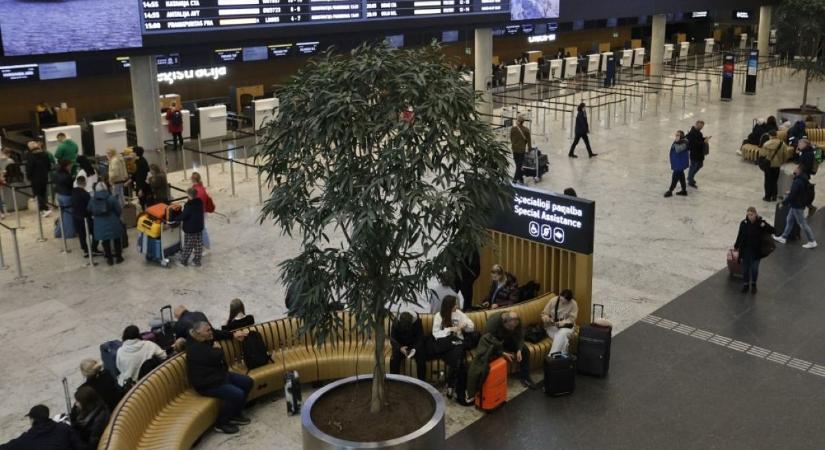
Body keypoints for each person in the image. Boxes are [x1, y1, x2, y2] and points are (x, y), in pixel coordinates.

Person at [186, 321, 252, 434]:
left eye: (210, 329)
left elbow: (217, 334)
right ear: (198, 333)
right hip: (207, 384)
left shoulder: (205, 337)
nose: (211, 332)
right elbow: (214, 357)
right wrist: (218, 349)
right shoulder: (194, 348)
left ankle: (235, 414)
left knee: (247, 382)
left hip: (219, 376)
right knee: (237, 394)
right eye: (208, 330)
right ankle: (221, 423)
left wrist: (233, 335)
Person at [430, 296, 474, 405]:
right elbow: (435, 333)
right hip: (446, 346)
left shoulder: (459, 313)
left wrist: (464, 325)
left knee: (459, 360)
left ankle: (451, 385)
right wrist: (450, 329)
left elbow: (472, 327)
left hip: (458, 343)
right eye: (455, 304)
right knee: (460, 362)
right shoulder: (439, 316)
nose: (457, 306)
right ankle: (460, 393)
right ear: (449, 305)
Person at [484, 310, 537, 389]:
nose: (512, 329)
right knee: (491, 355)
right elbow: (488, 341)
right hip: (495, 342)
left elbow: (520, 335)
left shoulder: (517, 320)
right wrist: (502, 352)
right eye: (510, 327)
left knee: (524, 350)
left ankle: (525, 378)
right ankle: (494, 383)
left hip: (508, 339)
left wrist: (519, 349)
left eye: (514, 327)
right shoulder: (492, 324)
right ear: (504, 322)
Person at [773, 164, 817, 249]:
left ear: (799, 170)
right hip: (797, 204)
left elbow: (792, 195)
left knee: (803, 224)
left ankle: (812, 241)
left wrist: (783, 203)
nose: (794, 168)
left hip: (797, 206)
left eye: (796, 167)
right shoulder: (803, 178)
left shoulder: (798, 181)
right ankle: (783, 237)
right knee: (789, 220)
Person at [0, 404, 80, 450]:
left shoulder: (27, 438)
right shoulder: (64, 428)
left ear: (32, 419)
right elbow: (79, 445)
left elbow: (7, 447)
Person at [734, 207, 775, 294]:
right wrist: (736, 246)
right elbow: (740, 235)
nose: (749, 216)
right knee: (745, 270)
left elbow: (773, 230)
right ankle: (746, 284)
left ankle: (753, 284)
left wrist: (763, 225)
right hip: (745, 251)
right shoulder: (744, 223)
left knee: (754, 269)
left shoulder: (760, 223)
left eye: (751, 215)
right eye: (748, 214)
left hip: (756, 252)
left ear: (755, 214)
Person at [88, 182, 123, 265]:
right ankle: (118, 257)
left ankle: (109, 259)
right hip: (113, 221)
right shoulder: (111, 198)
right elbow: (119, 210)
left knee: (105, 241)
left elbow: (89, 209)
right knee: (117, 239)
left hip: (99, 223)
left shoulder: (92, 199)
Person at [389, 311, 427, 381]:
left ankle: (422, 382)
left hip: (414, 345)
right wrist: (400, 348)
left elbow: (421, 338)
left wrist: (414, 349)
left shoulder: (417, 322)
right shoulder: (395, 322)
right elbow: (393, 339)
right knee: (394, 358)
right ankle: (394, 382)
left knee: (422, 357)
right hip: (401, 345)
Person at [540, 289, 578, 357]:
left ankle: (551, 358)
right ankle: (561, 362)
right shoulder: (553, 300)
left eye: (565, 302)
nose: (562, 302)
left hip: (566, 327)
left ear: (569, 300)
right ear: (560, 295)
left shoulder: (573, 304)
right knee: (564, 341)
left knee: (561, 334)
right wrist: (547, 319)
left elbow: (572, 319)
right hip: (552, 326)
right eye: (561, 300)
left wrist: (563, 323)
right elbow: (544, 314)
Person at [71, 176, 101, 258]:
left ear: (77, 182)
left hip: (76, 217)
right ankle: (94, 248)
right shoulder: (86, 194)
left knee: (82, 235)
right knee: (95, 232)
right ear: (85, 183)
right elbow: (90, 207)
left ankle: (85, 250)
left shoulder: (73, 192)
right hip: (86, 217)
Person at [176, 187, 205, 266]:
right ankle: (197, 260)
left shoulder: (189, 205)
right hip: (199, 227)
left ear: (189, 195)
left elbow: (184, 216)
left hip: (190, 229)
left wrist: (176, 218)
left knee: (188, 245)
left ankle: (183, 260)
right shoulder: (200, 202)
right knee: (198, 244)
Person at [25, 141, 52, 217]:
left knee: (37, 193)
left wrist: (29, 176)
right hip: (44, 176)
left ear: (30, 147)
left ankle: (43, 209)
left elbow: (29, 167)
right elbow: (48, 166)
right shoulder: (44, 154)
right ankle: (45, 208)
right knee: (43, 193)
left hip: (35, 177)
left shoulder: (30, 155)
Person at [759, 130, 787, 202]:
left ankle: (767, 197)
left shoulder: (766, 144)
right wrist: (781, 162)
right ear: (776, 135)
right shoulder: (782, 144)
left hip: (768, 165)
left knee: (768, 181)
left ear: (770, 136)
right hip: (777, 165)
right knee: (775, 181)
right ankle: (774, 196)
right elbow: (785, 155)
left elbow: (762, 155)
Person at [664, 130, 690, 197]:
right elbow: (673, 148)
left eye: (678, 135)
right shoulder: (679, 141)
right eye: (676, 135)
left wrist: (676, 141)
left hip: (680, 163)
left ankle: (670, 191)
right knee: (681, 176)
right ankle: (684, 190)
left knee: (675, 178)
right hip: (677, 162)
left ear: (681, 135)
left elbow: (678, 150)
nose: (676, 136)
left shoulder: (685, 142)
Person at [686, 120, 710, 188]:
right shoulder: (692, 133)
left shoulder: (698, 132)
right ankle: (690, 180)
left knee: (700, 165)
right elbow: (694, 144)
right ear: (696, 124)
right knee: (693, 167)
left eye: (702, 126)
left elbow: (698, 140)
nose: (701, 127)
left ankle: (690, 177)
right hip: (695, 154)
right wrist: (704, 142)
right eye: (700, 126)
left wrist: (703, 138)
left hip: (699, 154)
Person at [509, 114, 530, 184]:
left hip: (515, 149)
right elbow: (529, 141)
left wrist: (514, 143)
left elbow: (511, 138)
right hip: (521, 150)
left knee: (518, 165)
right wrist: (529, 149)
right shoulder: (526, 130)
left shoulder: (513, 129)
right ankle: (518, 179)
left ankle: (516, 180)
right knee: (519, 165)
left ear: (518, 121)